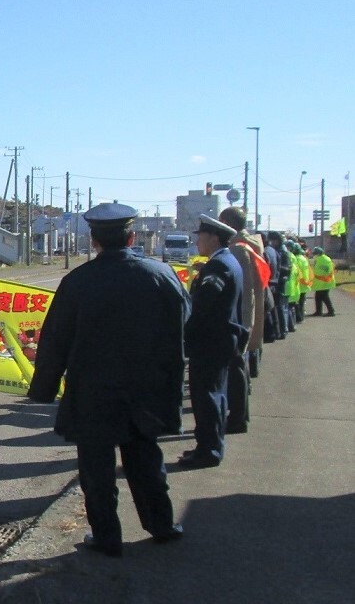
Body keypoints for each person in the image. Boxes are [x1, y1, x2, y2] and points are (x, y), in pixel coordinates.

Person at [28, 203, 189, 556]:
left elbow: (54, 340)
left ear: (94, 240)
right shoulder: (162, 275)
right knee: (146, 460)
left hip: (93, 392)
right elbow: (183, 325)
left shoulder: (78, 282)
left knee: (96, 470)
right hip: (147, 388)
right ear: (131, 237)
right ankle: (161, 525)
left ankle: (107, 536)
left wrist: (43, 389)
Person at [181, 215, 247, 470]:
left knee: (207, 397)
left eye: (201, 236)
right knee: (215, 395)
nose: (197, 241)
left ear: (214, 237)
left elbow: (204, 306)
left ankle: (208, 450)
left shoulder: (218, 266)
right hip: (219, 340)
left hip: (211, 341)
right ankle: (209, 445)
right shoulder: (225, 261)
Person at [216, 207, 267, 432]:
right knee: (240, 367)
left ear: (227, 222)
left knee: (235, 369)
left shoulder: (238, 249)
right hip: (247, 314)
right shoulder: (251, 243)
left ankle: (237, 417)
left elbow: (240, 288)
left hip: (239, 316)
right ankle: (240, 413)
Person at [311, 247, 337, 316]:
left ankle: (331, 311)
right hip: (323, 282)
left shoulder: (322, 259)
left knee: (325, 297)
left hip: (324, 282)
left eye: (315, 254)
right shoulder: (324, 258)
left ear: (318, 253)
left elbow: (324, 270)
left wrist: (316, 274)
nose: (314, 255)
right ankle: (318, 311)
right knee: (318, 297)